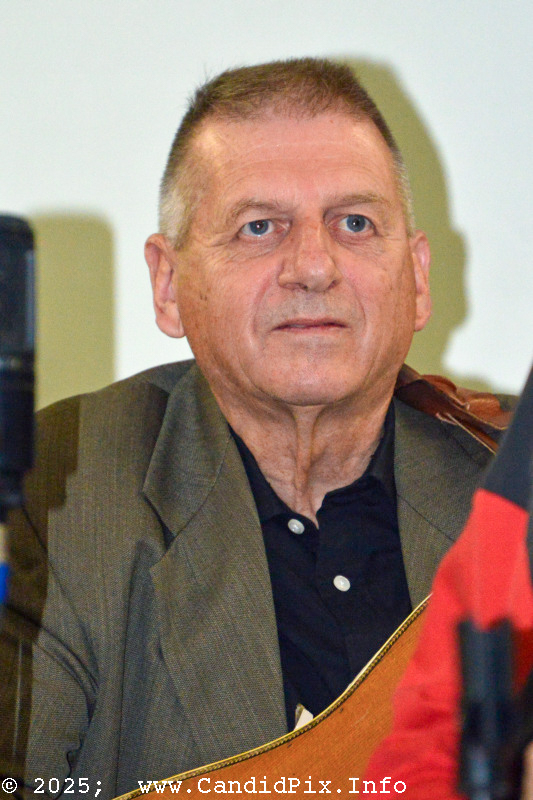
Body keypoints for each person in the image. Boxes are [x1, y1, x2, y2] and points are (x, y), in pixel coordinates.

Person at [0, 58, 500, 799]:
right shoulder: (54, 492)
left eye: (354, 223)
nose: (313, 267)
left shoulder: (509, 486)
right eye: (259, 227)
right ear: (169, 285)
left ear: (419, 277)